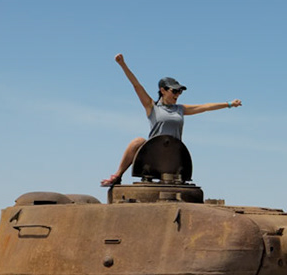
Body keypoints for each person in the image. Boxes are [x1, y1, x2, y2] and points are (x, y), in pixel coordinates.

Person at [100, 54, 243, 187]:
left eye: (179, 91)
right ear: (163, 90)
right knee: (137, 141)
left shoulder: (180, 109)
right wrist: (122, 64)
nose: (178, 94)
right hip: (153, 156)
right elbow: (137, 85)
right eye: (174, 91)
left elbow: (205, 107)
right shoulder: (152, 107)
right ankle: (117, 175)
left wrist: (229, 104)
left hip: (173, 157)